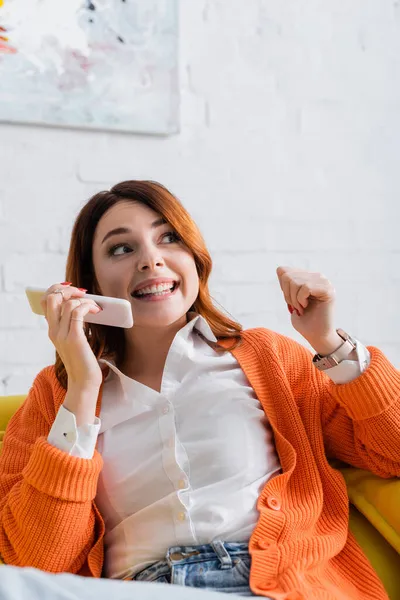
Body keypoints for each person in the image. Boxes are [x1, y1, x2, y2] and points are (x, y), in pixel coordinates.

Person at [0, 180, 398, 600]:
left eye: (168, 238)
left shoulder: (270, 359)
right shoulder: (56, 394)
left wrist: (330, 343)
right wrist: (81, 389)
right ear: (88, 282)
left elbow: (393, 449)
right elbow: (39, 560)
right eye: (122, 248)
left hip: (268, 587)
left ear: (194, 257)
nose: (151, 260)